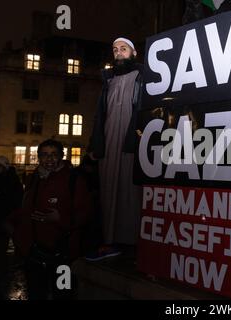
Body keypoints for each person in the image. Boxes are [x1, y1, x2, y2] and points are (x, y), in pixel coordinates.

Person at [6, 139, 93, 300]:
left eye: (54, 154)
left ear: (61, 156)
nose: (49, 159)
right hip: (35, 254)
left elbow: (85, 213)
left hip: (64, 255)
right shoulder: (34, 178)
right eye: (45, 155)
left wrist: (60, 219)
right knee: (35, 293)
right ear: (39, 157)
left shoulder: (74, 180)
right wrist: (14, 227)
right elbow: (26, 207)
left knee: (63, 293)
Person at [86, 37, 144, 261]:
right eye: (115, 50)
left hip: (132, 141)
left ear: (134, 53)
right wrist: (94, 144)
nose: (119, 53)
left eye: (124, 49)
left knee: (132, 193)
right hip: (109, 143)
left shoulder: (144, 76)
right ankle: (111, 242)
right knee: (109, 192)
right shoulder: (108, 81)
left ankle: (136, 242)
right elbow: (99, 115)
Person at [0, 156, 23, 299]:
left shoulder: (11, 181)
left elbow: (15, 202)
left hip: (3, 222)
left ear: (4, 168)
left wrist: (6, 218)